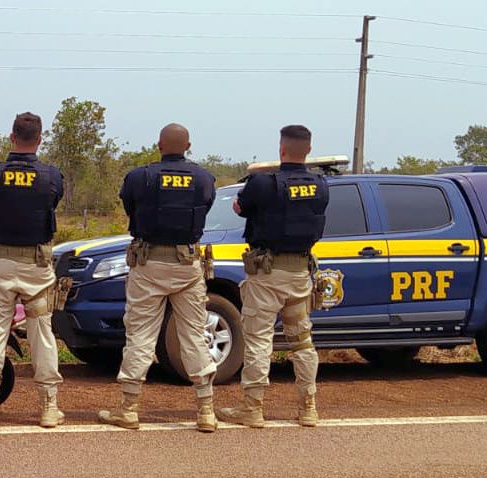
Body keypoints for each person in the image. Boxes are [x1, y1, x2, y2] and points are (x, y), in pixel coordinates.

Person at [98, 123, 218, 432]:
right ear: (188, 145)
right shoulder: (203, 178)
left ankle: (129, 408)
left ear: (159, 145)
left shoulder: (140, 177)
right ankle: (205, 410)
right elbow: (206, 205)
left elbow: (129, 206)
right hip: (187, 265)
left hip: (148, 263)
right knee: (193, 334)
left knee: (140, 335)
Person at [0, 112, 65, 428]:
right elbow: (51, 202)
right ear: (40, 139)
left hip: (0, 265)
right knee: (42, 333)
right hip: (37, 267)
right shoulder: (52, 176)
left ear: (11, 137)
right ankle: (48, 408)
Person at [218, 124, 329, 428]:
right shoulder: (320, 184)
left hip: (267, 274)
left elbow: (241, 208)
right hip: (300, 274)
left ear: (281, 150)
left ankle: (252, 409)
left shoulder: (263, 183)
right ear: (308, 150)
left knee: (258, 340)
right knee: (303, 341)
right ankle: (308, 407)